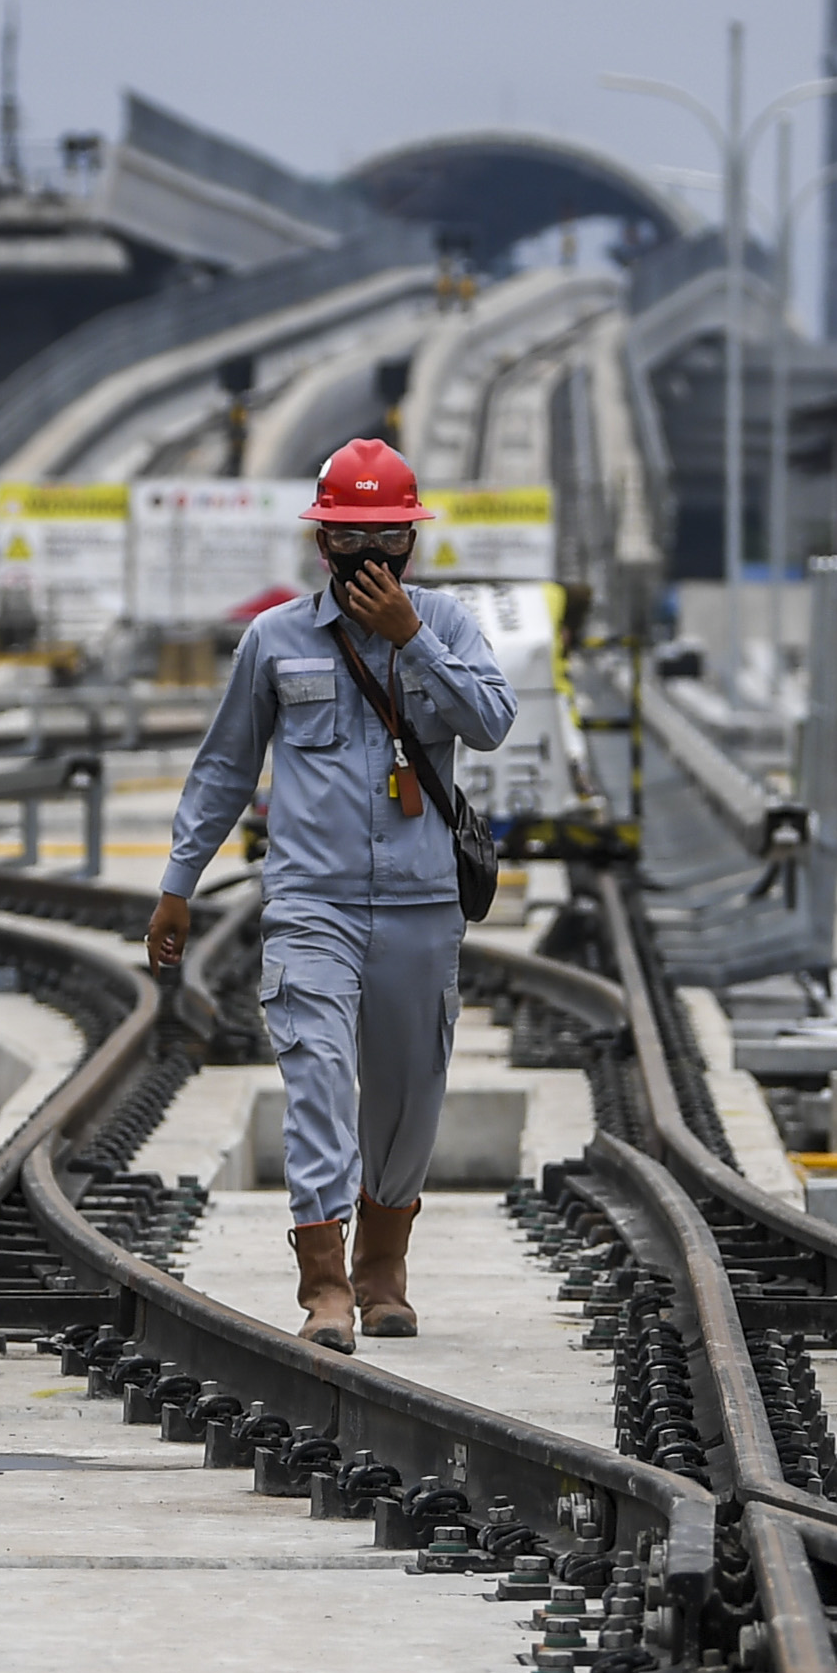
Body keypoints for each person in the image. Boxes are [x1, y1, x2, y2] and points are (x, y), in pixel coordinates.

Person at [146, 438, 515, 1352]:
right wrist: (177, 884)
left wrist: (411, 641)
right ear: (322, 548)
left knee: (406, 1093)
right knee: (315, 1077)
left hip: (423, 906)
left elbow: (494, 721)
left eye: (388, 543)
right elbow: (224, 769)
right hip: (312, 903)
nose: (370, 563)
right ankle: (325, 1287)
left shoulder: (450, 625)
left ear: (412, 548)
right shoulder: (274, 641)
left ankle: (383, 1272)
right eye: (350, 544)